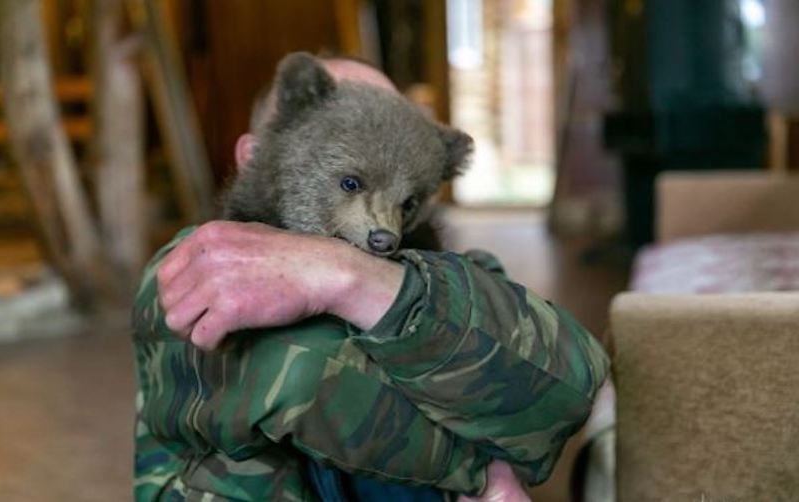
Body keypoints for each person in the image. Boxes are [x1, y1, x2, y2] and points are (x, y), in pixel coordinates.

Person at [132, 56, 609, 501]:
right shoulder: (195, 267)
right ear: (253, 154)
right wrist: (487, 469)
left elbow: (567, 390)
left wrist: (352, 280)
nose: (386, 230)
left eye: (405, 205)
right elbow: (307, 382)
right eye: (351, 184)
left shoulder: (464, 274)